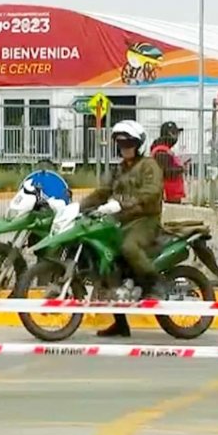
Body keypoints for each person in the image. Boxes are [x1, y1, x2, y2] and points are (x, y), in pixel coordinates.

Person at [79, 119, 166, 337]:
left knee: (128, 247)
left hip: (146, 219)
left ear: (139, 145)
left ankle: (155, 284)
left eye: (129, 144)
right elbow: (102, 191)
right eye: (122, 144)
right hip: (122, 221)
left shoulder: (149, 165)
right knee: (108, 263)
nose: (125, 148)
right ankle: (121, 323)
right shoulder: (118, 169)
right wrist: (78, 207)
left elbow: (152, 192)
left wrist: (123, 202)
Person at [150, 121, 186, 204]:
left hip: (171, 196)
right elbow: (165, 171)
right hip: (168, 197)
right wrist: (181, 169)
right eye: (175, 134)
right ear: (169, 134)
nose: (177, 137)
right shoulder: (161, 151)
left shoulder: (165, 150)